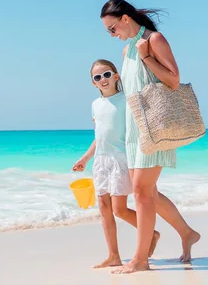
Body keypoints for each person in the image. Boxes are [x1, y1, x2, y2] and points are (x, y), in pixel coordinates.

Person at [99, 0, 201, 274]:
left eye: (112, 28)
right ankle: (187, 233)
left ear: (125, 19)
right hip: (133, 129)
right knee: (148, 193)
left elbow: (173, 80)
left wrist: (146, 56)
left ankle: (140, 259)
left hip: (155, 127)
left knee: (142, 193)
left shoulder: (153, 40)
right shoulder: (125, 51)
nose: (111, 34)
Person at [72, 59, 160, 269]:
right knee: (103, 208)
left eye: (107, 74)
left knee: (119, 209)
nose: (103, 80)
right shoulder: (95, 105)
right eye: (97, 77)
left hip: (121, 158)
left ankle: (151, 234)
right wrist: (85, 158)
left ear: (116, 76)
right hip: (101, 160)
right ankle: (114, 256)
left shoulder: (126, 100)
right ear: (93, 83)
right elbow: (100, 136)